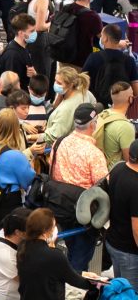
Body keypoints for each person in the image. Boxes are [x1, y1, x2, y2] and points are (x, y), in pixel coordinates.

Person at [49, 104, 109, 271]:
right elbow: (102, 187)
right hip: (83, 212)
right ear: (92, 124)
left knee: (71, 249)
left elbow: (51, 168)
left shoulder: (59, 143)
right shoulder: (94, 153)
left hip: (59, 205)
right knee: (81, 258)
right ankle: (73, 291)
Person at [106, 141, 138, 288]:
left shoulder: (117, 168)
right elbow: (136, 229)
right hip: (129, 252)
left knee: (120, 291)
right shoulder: (135, 185)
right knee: (130, 298)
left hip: (114, 241)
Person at [84, 25, 138, 108]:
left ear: (105, 38)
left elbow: (83, 82)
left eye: (102, 35)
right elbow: (135, 90)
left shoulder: (94, 57)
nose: (100, 38)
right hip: (121, 107)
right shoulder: (129, 60)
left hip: (98, 106)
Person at [59, 0, 104, 69]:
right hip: (81, 63)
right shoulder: (92, 16)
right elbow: (103, 39)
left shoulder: (66, 8)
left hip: (64, 57)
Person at [95, 82, 138, 169]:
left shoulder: (103, 114)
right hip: (113, 173)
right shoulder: (125, 127)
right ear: (130, 99)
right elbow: (130, 161)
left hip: (99, 168)